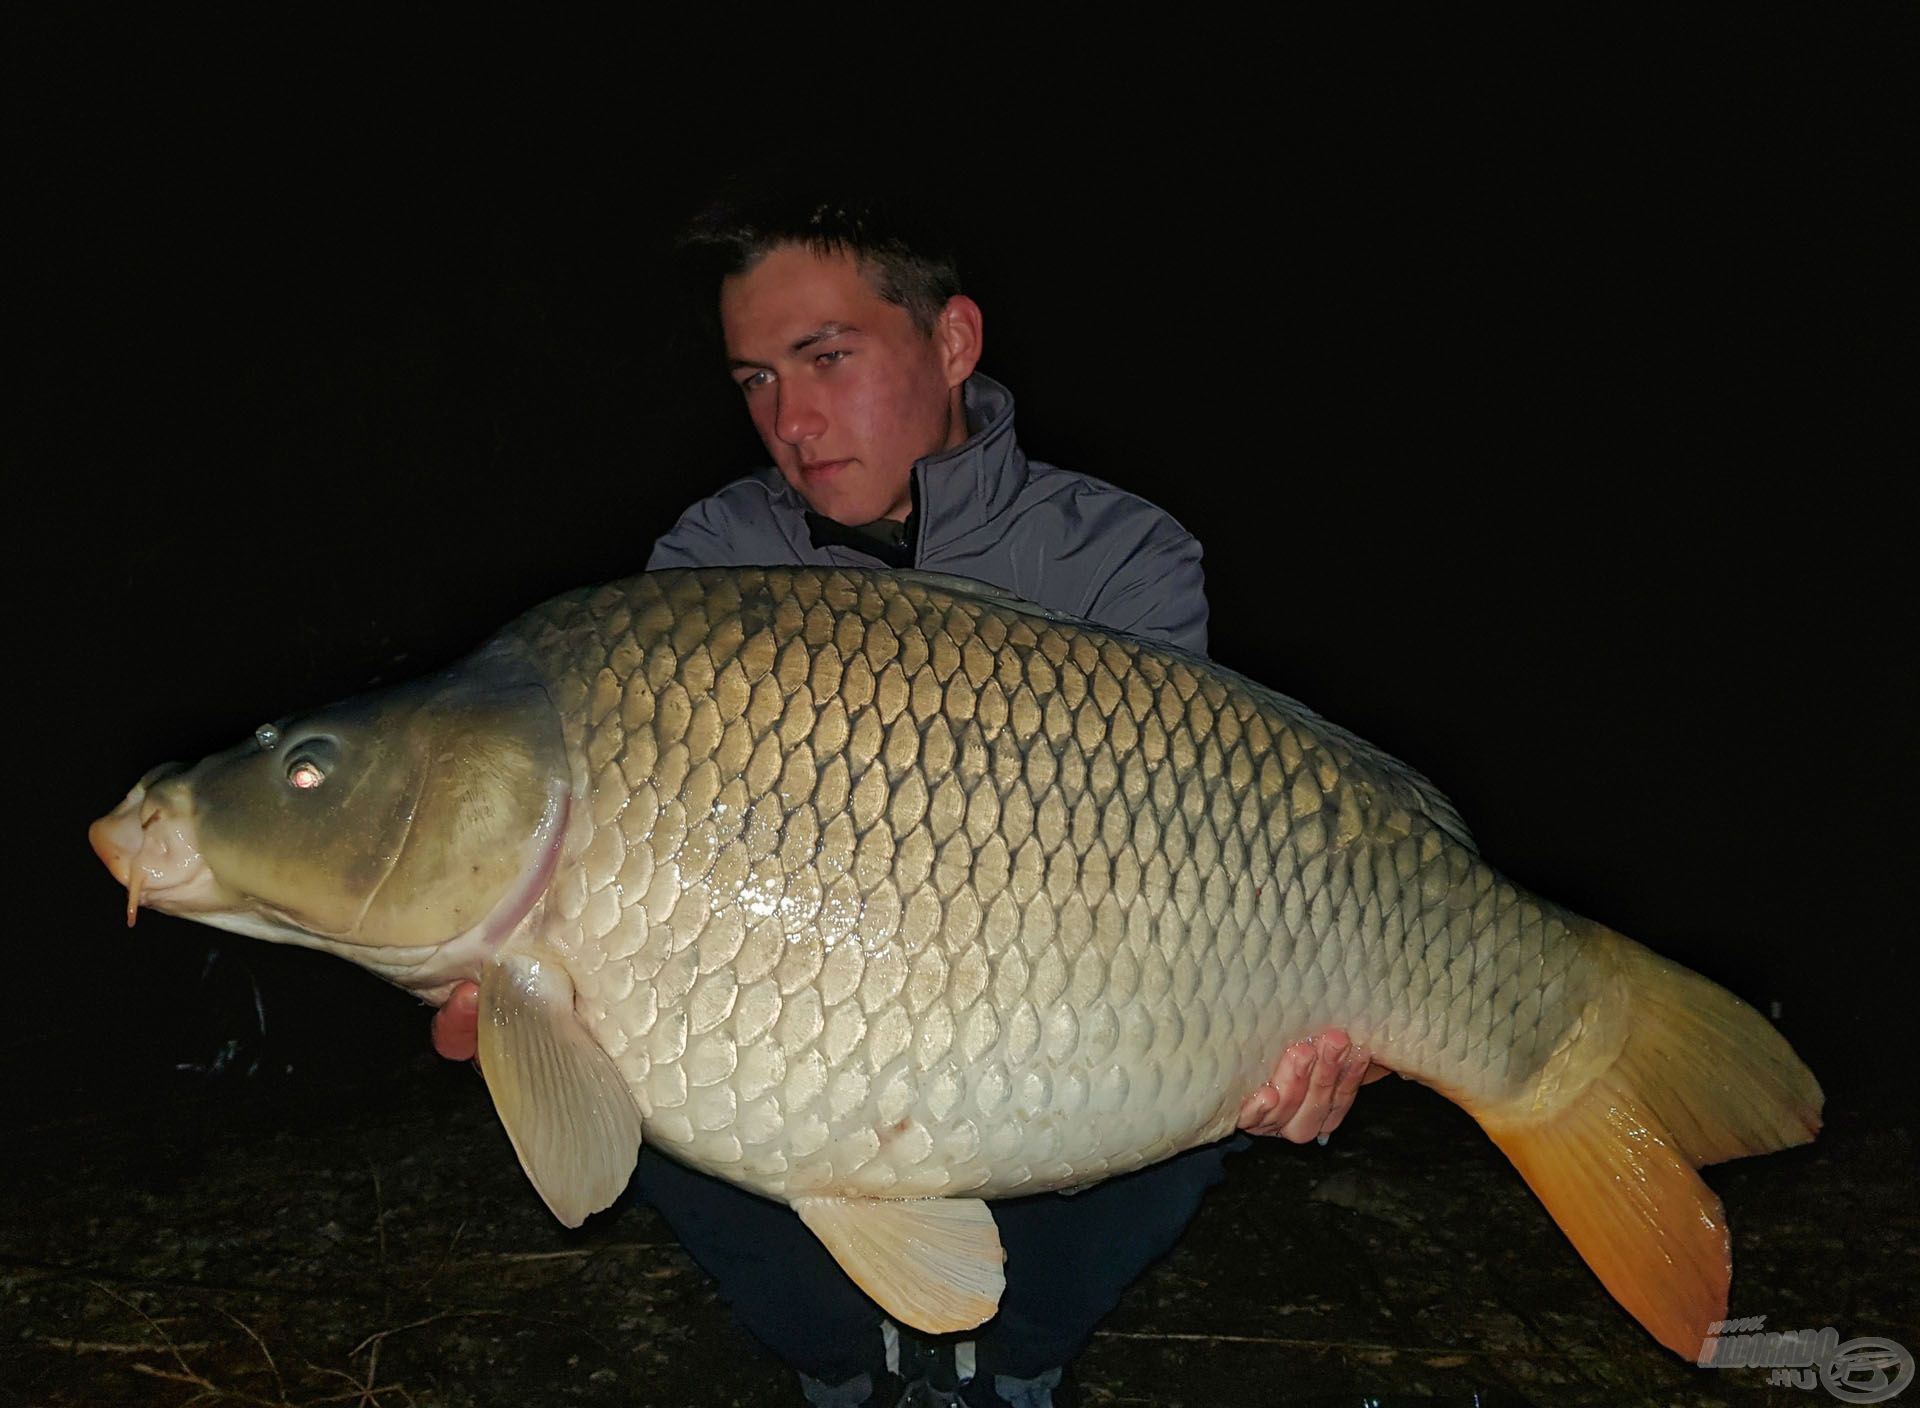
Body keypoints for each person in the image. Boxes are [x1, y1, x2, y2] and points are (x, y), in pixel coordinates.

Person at [432, 185, 1384, 1407]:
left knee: (1209, 1039)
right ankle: (838, 1366)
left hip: (1068, 1000)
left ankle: (1024, 1357)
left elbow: (1188, 855)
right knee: (631, 1037)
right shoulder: (710, 565)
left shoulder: (1119, 554)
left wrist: (1316, 1035)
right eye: (756, 380)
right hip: (810, 1019)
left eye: (825, 357)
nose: (791, 418)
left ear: (952, 342)